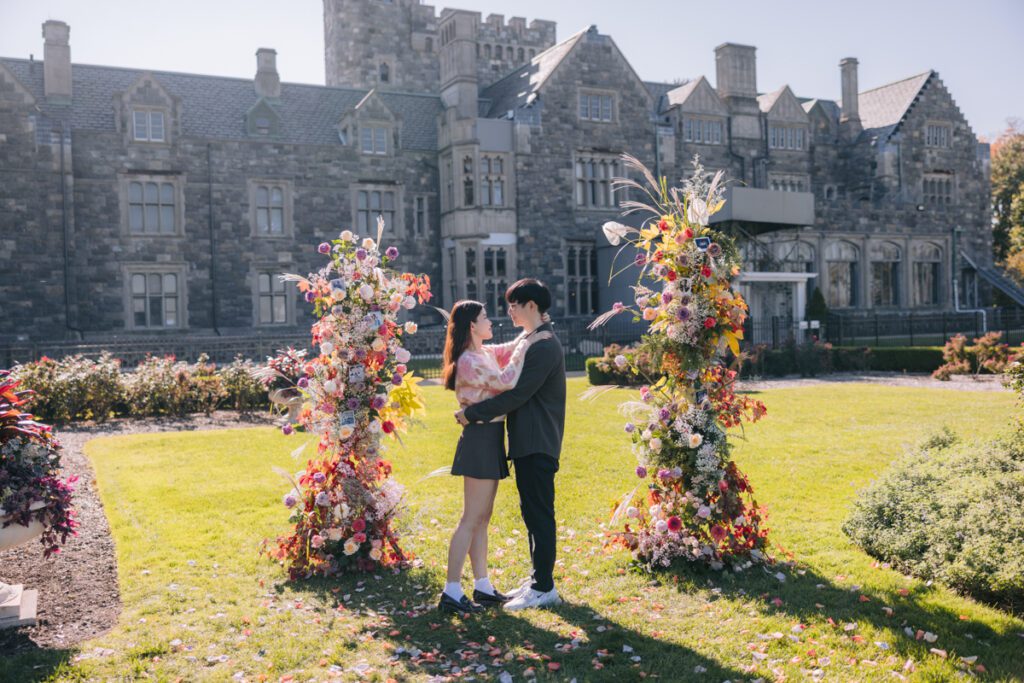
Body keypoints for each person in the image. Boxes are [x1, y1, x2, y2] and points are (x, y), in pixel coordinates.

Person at [456, 279, 566, 611]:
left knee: (539, 514)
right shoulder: (531, 339)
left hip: (537, 441)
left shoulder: (544, 345)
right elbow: (500, 355)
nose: (509, 311)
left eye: (514, 304)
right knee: (531, 512)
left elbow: (517, 394)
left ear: (532, 306)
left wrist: (472, 413)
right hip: (527, 441)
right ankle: (538, 579)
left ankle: (545, 587)